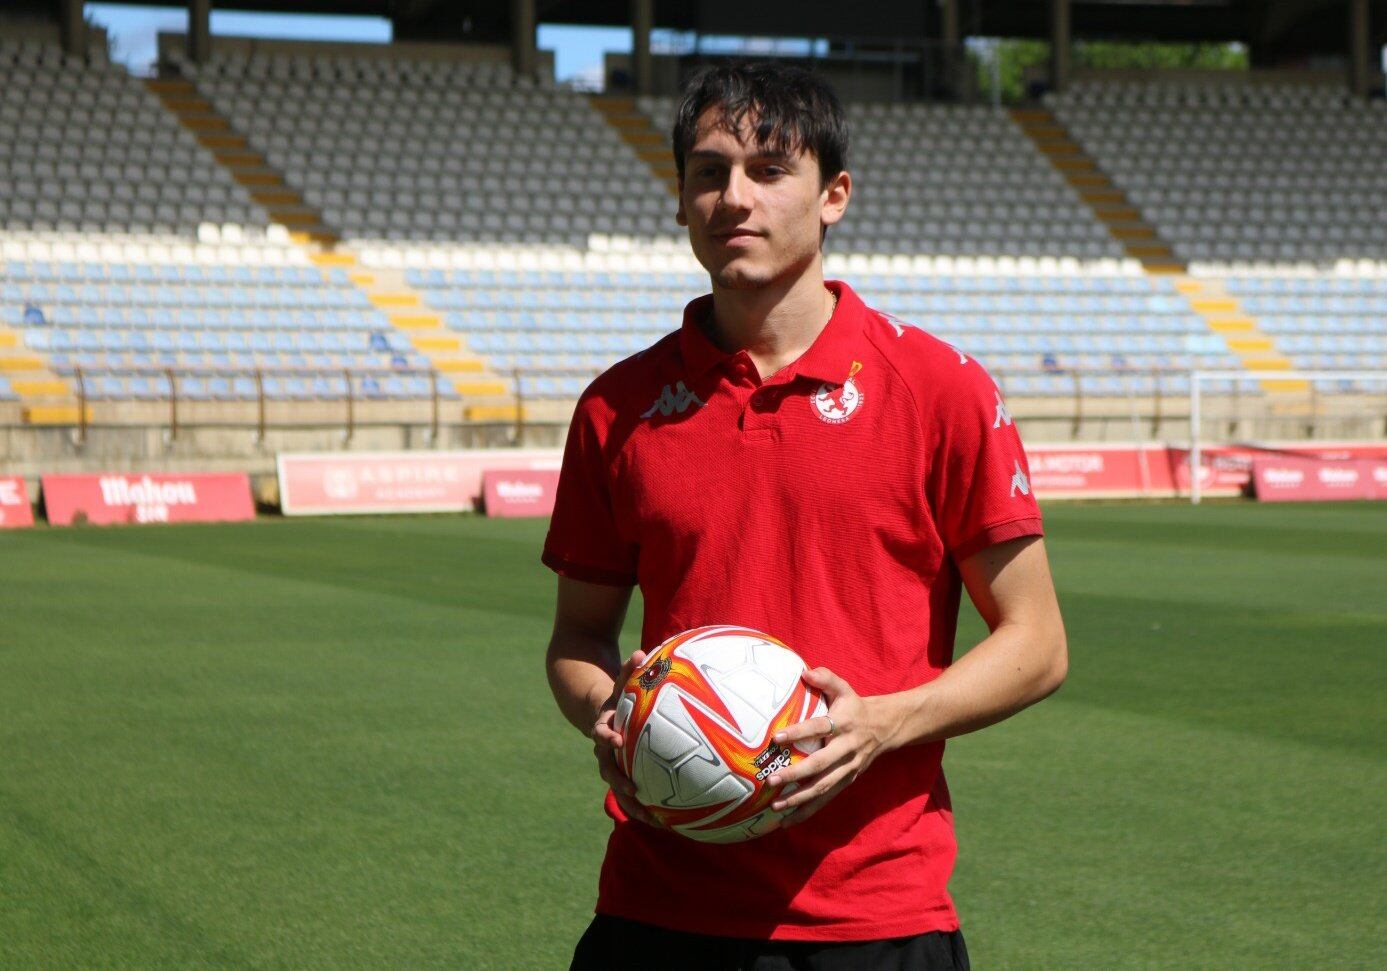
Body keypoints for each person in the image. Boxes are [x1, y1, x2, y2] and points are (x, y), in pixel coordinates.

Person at [543, 62, 1067, 971]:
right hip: (659, 909)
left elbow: (1037, 643)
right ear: (678, 200)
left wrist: (881, 724)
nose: (732, 198)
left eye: (768, 170)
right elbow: (578, 639)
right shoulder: (616, 408)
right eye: (707, 173)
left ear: (833, 195)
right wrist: (614, 717)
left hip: (876, 917)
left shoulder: (939, 389)